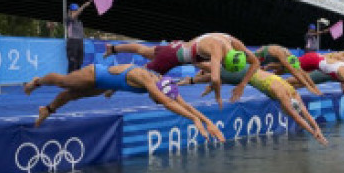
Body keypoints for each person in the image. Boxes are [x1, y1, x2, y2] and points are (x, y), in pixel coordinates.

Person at [22, 64, 225, 142]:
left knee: (73, 95)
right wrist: (193, 121)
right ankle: (37, 82)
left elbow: (183, 104)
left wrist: (208, 121)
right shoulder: (147, 80)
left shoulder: (163, 83)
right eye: (157, 101)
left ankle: (47, 110)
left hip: (106, 83)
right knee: (64, 82)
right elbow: (167, 102)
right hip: (96, 73)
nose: (155, 102)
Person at [182, 65, 328, 146]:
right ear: (286, 106)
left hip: (251, 71)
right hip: (246, 75)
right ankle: (190, 67)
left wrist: (317, 130)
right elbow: (298, 118)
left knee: (219, 76)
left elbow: (305, 114)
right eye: (286, 110)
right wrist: (313, 133)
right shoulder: (283, 96)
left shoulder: (294, 94)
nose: (285, 110)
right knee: (215, 73)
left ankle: (195, 79)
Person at [105, 33, 259, 109]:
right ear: (225, 60)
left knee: (143, 50)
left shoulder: (233, 42)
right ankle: (113, 85)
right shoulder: (217, 50)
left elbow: (256, 62)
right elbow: (216, 79)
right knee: (142, 78)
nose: (222, 66)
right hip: (172, 58)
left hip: (177, 46)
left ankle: (112, 49)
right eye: (224, 65)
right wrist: (218, 97)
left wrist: (242, 84)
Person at [65, 1, 92, 73]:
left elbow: (81, 34)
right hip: (72, 42)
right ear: (69, 11)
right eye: (73, 11)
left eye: (76, 10)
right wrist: (83, 6)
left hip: (80, 42)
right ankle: (69, 81)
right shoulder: (68, 19)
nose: (75, 12)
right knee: (72, 63)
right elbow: (73, 16)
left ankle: (77, 81)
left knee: (79, 63)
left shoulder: (79, 22)